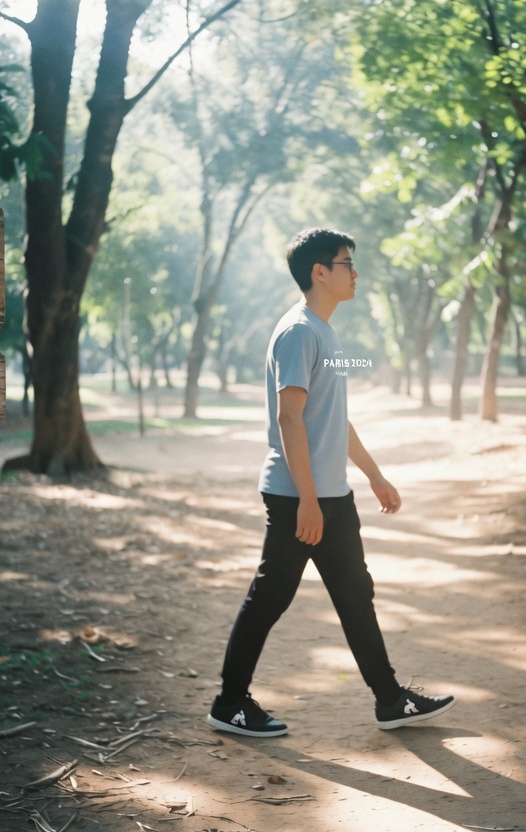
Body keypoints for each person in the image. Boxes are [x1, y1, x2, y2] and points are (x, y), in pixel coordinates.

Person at [206, 227, 454, 737]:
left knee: (353, 593)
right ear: (320, 272)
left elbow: (333, 419)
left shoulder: (325, 331)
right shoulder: (299, 331)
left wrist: (375, 476)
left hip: (329, 495)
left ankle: (390, 700)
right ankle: (230, 703)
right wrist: (310, 501)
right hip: (300, 496)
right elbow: (289, 419)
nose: (355, 273)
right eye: (347, 264)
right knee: (270, 598)